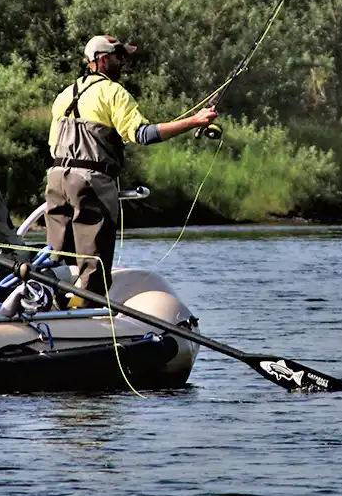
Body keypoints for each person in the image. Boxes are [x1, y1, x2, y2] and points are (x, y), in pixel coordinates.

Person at [45, 35, 218, 299]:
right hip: (90, 184)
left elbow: (53, 145)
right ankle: (90, 311)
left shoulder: (64, 95)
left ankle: (49, 306)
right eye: (118, 56)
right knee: (94, 264)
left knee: (57, 258)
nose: (123, 62)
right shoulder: (113, 92)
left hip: (56, 181)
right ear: (102, 60)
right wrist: (194, 121)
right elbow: (143, 134)